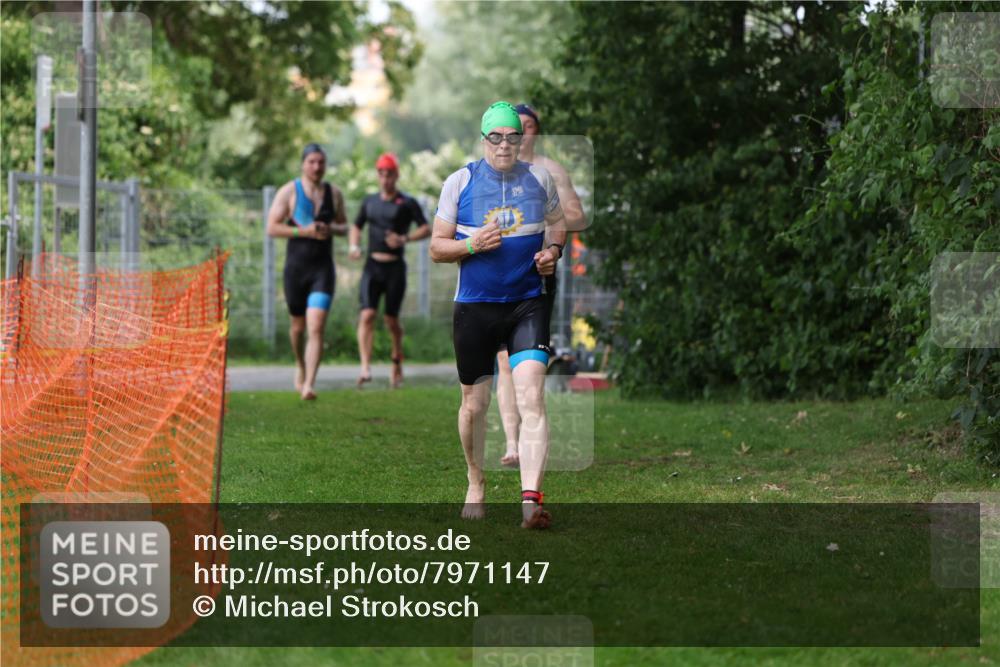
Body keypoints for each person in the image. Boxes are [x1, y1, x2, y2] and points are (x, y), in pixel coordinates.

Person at [430, 102, 567, 529]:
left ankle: (531, 501)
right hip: (475, 306)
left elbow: (558, 224)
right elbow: (437, 247)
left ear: (522, 139)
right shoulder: (460, 182)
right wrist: (471, 246)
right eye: (497, 137)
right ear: (484, 139)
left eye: (513, 136)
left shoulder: (539, 179)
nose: (505, 145)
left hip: (528, 302)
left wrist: (553, 253)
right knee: (474, 405)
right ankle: (475, 479)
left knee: (532, 396)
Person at [496, 104, 588, 467]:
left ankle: (530, 430)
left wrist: (549, 226)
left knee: (527, 363)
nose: (520, 132)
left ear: (536, 132)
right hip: (500, 274)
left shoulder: (551, 171)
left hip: (539, 272)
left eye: (528, 126)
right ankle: (512, 443)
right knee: (504, 361)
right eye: (513, 127)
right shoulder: (492, 173)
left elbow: (577, 216)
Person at [266, 143, 348, 400]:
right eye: (312, 162)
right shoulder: (289, 192)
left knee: (316, 326)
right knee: (298, 327)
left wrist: (330, 230)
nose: (316, 167)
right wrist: (304, 231)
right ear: (303, 164)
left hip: (322, 270)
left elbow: (345, 227)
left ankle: (309, 384)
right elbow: (272, 228)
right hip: (296, 270)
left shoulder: (334, 193)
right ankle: (300, 365)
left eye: (321, 162)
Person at [349, 153, 431, 388]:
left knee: (391, 320)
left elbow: (426, 228)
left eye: (389, 174)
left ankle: (396, 359)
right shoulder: (369, 202)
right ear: (378, 175)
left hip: (395, 267)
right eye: (381, 174)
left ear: (396, 175)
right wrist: (355, 246)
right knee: (367, 315)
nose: (385, 179)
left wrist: (404, 238)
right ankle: (365, 367)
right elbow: (356, 226)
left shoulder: (406, 202)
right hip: (372, 267)